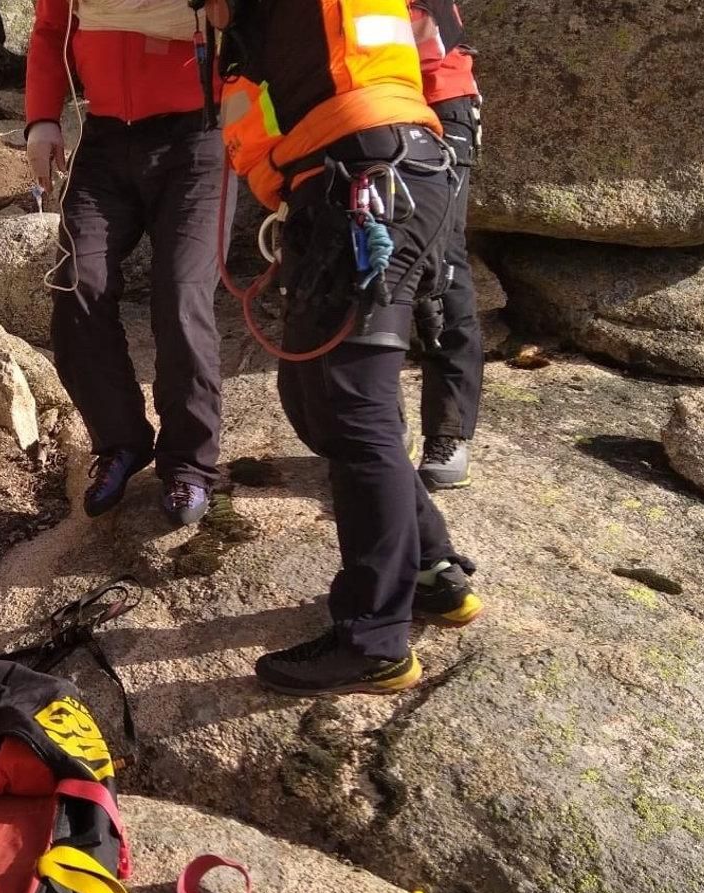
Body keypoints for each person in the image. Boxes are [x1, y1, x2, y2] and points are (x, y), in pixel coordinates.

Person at [207, 0, 482, 696]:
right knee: (313, 397)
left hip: (372, 172)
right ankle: (429, 571)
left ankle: (373, 639)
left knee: (353, 407)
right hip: (341, 180)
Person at [24, 0, 233, 527]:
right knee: (77, 287)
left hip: (199, 137)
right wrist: (42, 119)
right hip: (105, 138)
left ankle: (188, 464)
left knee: (182, 295)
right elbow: (51, 29)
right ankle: (120, 442)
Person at [410, 0, 483, 490]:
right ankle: (377, 428)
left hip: (438, 98)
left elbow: (429, 28)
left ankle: (448, 431)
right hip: (351, 110)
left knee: (439, 260)